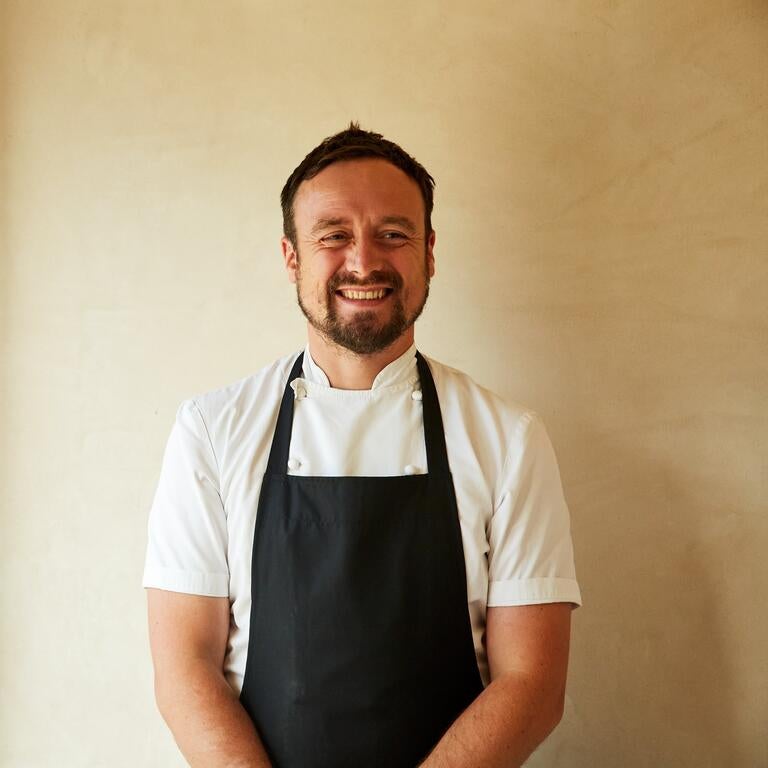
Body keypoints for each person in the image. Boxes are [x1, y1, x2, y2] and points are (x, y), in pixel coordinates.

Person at [144, 123, 582, 768]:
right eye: (333, 236)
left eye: (393, 234)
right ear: (291, 257)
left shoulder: (509, 439)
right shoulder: (211, 430)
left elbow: (532, 686)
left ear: (430, 253)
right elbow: (185, 669)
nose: (364, 261)